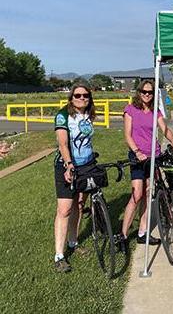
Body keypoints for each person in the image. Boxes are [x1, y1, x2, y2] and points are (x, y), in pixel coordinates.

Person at [120, 80, 173, 251]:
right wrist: (137, 151)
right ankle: (123, 234)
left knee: (148, 194)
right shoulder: (130, 110)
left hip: (154, 156)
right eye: (144, 92)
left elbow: (165, 130)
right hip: (138, 156)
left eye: (150, 92)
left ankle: (142, 232)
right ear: (139, 92)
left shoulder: (156, 111)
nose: (147, 95)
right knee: (137, 194)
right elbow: (127, 135)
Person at [53, 84, 96, 273]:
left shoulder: (89, 114)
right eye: (77, 95)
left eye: (85, 95)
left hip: (86, 164)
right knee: (64, 209)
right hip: (67, 166)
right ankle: (59, 255)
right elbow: (62, 144)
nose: (82, 98)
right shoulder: (63, 115)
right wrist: (69, 164)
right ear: (71, 97)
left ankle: (73, 242)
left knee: (79, 204)